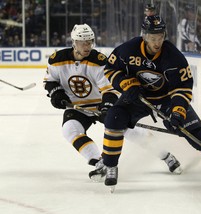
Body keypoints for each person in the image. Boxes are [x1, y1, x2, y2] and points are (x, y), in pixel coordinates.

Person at [100, 15, 201, 189]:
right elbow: (110, 69)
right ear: (144, 35)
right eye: (153, 38)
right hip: (138, 97)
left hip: (166, 99)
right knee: (114, 117)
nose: (157, 42)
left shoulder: (173, 56)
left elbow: (183, 88)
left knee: (199, 136)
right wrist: (126, 84)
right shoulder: (128, 50)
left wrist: (178, 112)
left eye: (160, 37)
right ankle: (110, 166)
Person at [43, 23, 182, 181]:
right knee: (69, 130)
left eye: (90, 42)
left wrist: (107, 106)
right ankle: (99, 162)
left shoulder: (99, 61)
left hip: (101, 104)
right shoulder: (57, 59)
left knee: (130, 132)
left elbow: (110, 89)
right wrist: (56, 93)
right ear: (74, 43)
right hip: (78, 107)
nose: (88, 46)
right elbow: (50, 81)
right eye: (83, 43)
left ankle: (166, 156)